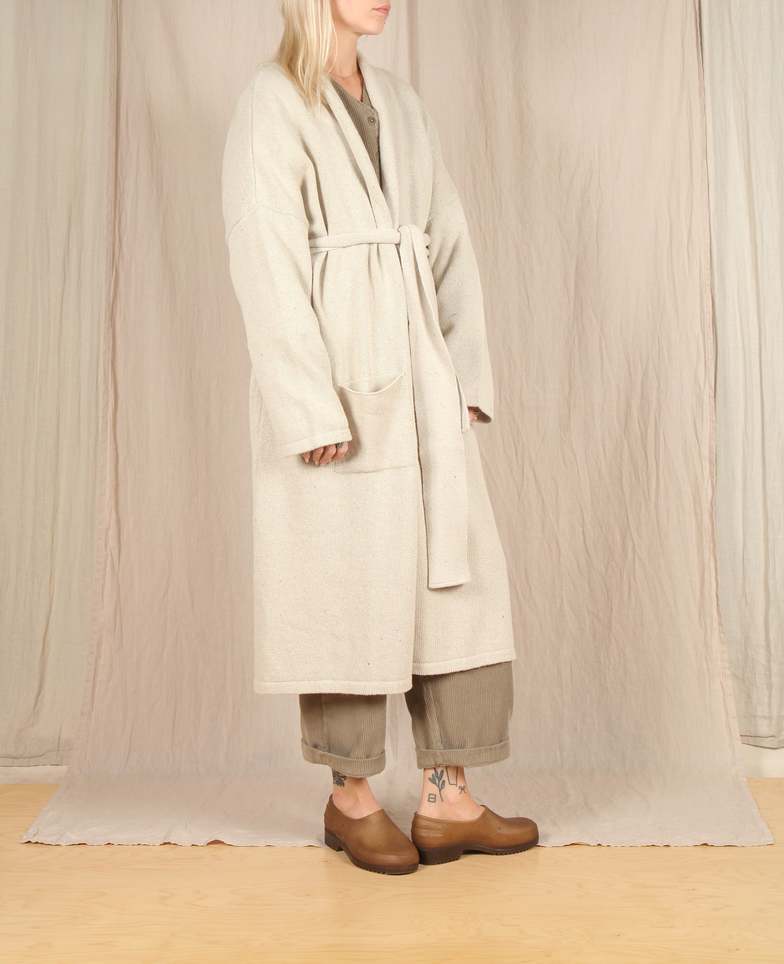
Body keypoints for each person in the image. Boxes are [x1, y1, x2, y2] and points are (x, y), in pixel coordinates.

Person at [221, 0, 538, 874]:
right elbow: (265, 258)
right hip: (342, 384)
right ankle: (351, 798)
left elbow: (447, 239)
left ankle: (447, 798)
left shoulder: (399, 101)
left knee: (457, 582)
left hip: (420, 377)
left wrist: (465, 376)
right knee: (345, 586)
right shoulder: (271, 101)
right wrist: (309, 407)